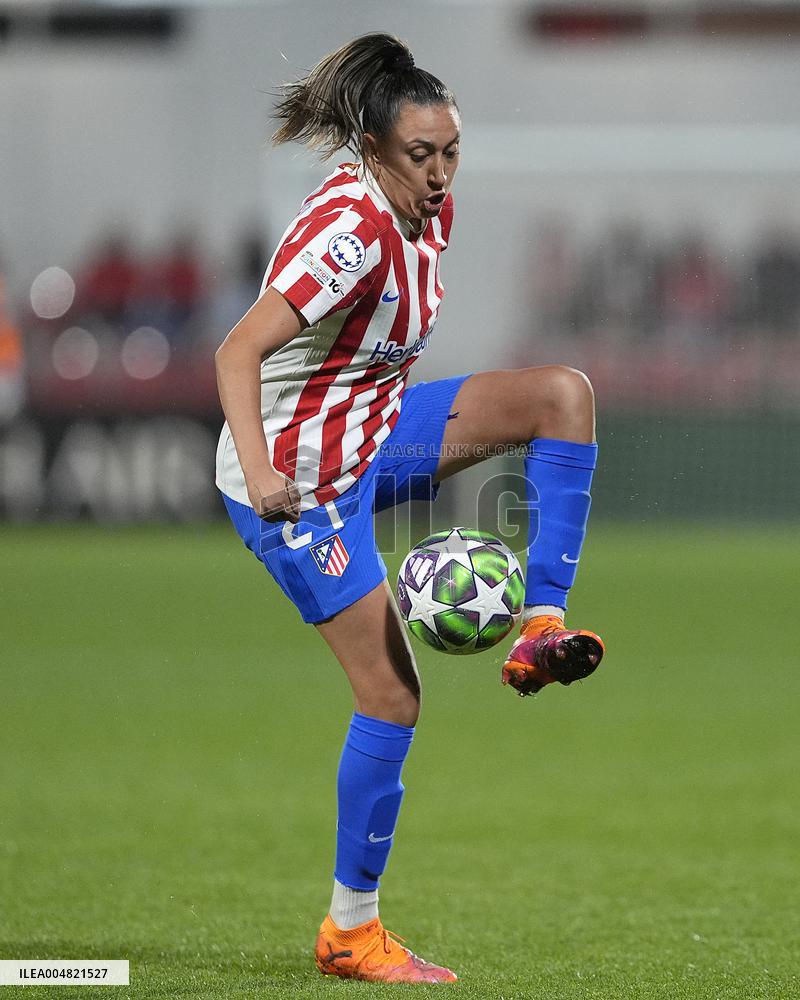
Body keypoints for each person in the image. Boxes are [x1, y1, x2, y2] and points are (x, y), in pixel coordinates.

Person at [214, 33, 604, 985]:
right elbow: (235, 352)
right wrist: (266, 478)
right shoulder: (347, 235)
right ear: (375, 151)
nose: (439, 174)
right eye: (420, 156)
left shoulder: (430, 210)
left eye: (451, 152)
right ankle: (351, 933)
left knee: (564, 395)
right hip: (298, 481)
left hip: (375, 430)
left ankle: (538, 627)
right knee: (392, 694)